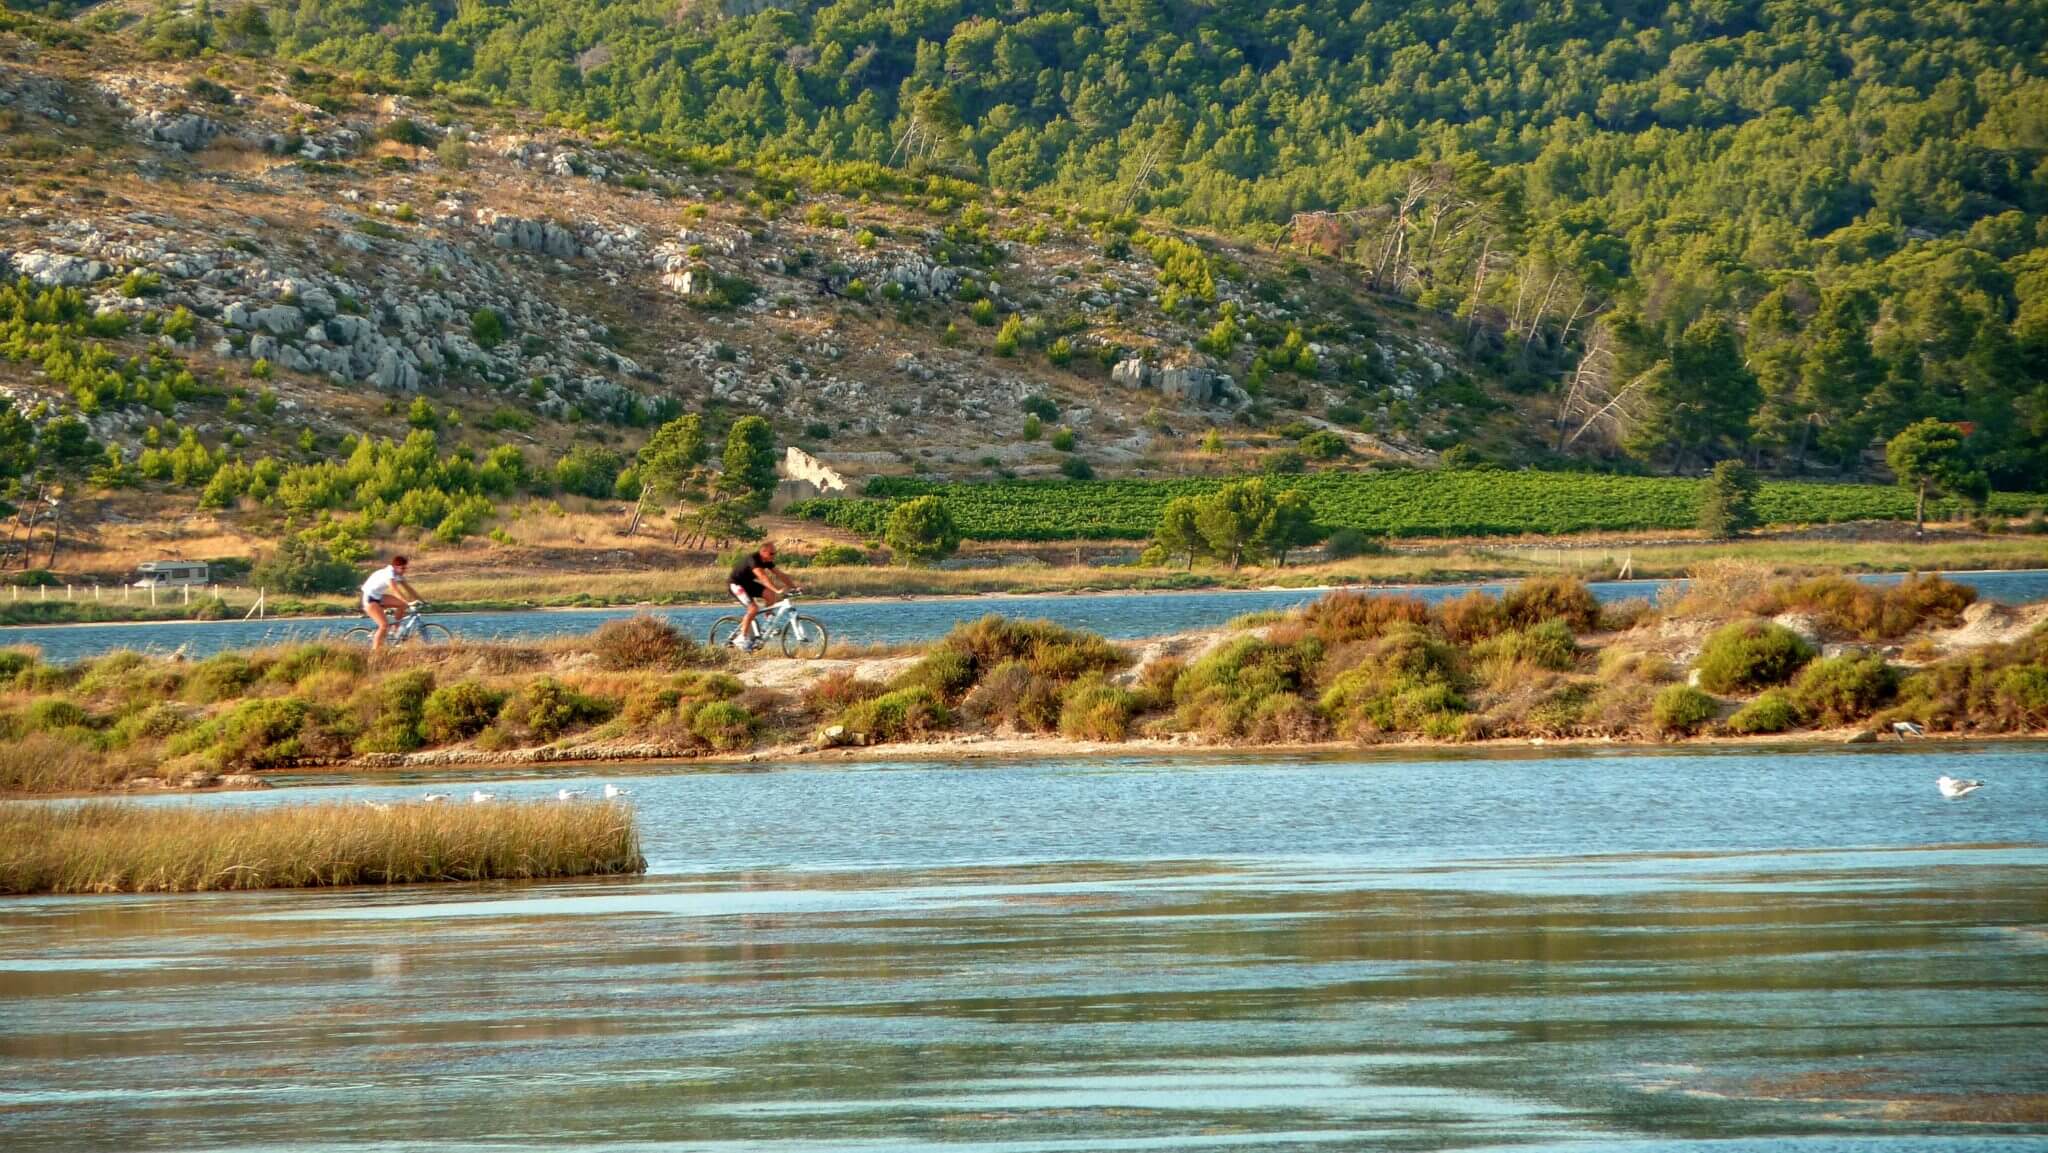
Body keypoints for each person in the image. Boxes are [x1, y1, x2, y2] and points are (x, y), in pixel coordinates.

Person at [726, 541, 798, 651]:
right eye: (771, 554)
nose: (774, 556)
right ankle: (742, 637)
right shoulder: (753, 559)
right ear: (763, 552)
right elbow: (763, 577)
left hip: (748, 584)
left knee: (770, 595)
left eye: (775, 553)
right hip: (736, 584)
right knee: (753, 608)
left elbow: (780, 575)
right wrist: (777, 589)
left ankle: (768, 624)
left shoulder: (767, 560)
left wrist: (794, 587)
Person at [361, 555, 423, 651]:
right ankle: (376, 652)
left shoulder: (397, 574)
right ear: (395, 567)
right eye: (402, 568)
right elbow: (395, 590)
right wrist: (407, 601)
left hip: (378, 597)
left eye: (405, 568)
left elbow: (409, 589)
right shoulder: (388, 573)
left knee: (403, 605)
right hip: (369, 599)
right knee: (384, 625)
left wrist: (422, 600)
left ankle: (395, 629)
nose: (404, 570)